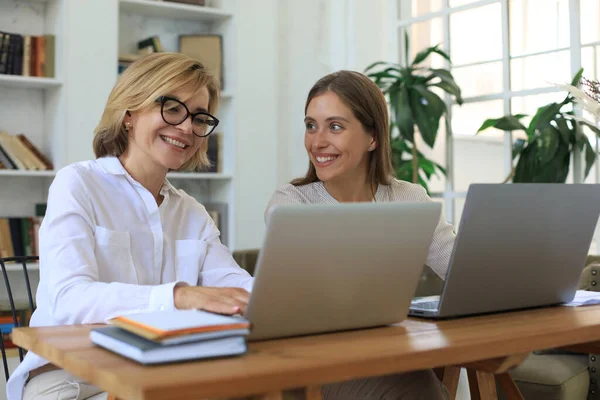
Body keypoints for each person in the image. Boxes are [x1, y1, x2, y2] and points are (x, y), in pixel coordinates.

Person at [7, 52, 253, 400]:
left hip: (157, 371)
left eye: (199, 117)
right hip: (71, 375)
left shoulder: (192, 213)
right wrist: (178, 296)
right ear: (129, 115)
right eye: (171, 108)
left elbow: (235, 286)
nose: (186, 127)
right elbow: (69, 299)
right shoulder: (77, 184)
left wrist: (279, 298)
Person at [266, 70, 455, 399]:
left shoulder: (409, 198)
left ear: (373, 138)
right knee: (418, 388)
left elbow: (461, 268)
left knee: (419, 384)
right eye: (311, 125)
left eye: (334, 126)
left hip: (388, 354)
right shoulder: (292, 203)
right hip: (311, 363)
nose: (317, 141)